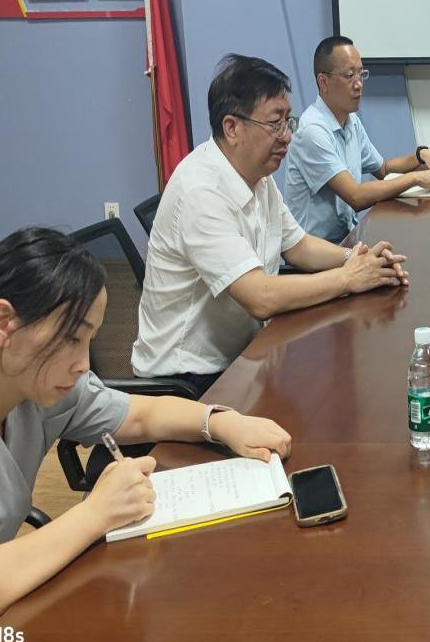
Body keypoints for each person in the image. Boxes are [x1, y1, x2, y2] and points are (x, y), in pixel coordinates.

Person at [0, 228, 293, 642]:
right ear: (2, 323)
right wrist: (96, 513)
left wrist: (220, 422)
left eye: (89, 340)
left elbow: (139, 415)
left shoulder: (30, 387)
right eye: (71, 338)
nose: (83, 363)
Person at [133, 54, 409, 393]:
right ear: (232, 128)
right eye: (275, 124)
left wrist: (358, 259)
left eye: (288, 122)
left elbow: (299, 246)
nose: (287, 136)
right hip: (188, 382)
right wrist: (348, 278)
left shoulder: (257, 176)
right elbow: (260, 297)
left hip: (245, 356)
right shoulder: (200, 191)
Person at [283, 36, 430, 243]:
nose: (358, 84)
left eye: (361, 74)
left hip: (347, 240)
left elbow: (383, 169)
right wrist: (417, 178)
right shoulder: (312, 131)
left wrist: (421, 155)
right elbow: (356, 196)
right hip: (315, 253)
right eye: (349, 75)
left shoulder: (351, 121)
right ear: (323, 82)